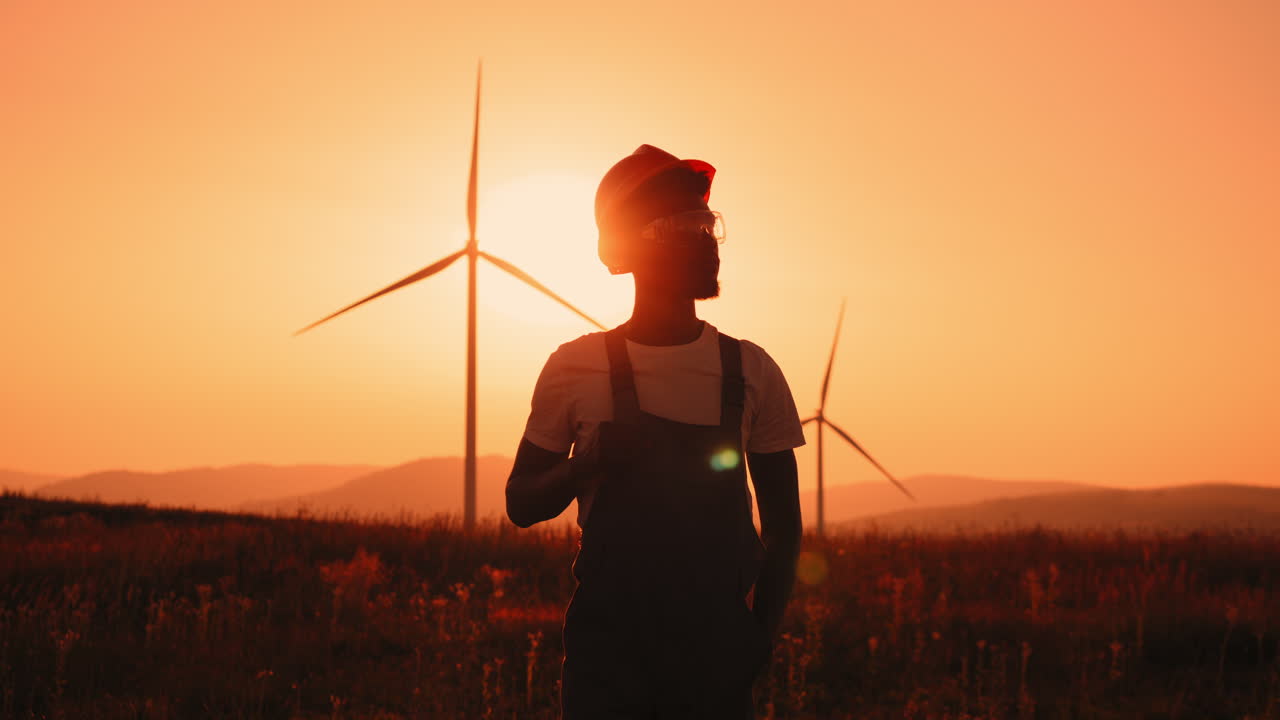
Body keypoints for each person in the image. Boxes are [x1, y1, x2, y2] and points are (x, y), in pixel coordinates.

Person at [506, 144, 806, 719]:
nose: (707, 241)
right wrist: (586, 465)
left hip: (717, 667)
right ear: (631, 247)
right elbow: (521, 502)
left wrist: (757, 641)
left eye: (709, 224)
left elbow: (785, 529)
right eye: (684, 226)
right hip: (606, 669)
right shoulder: (573, 367)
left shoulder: (752, 370)